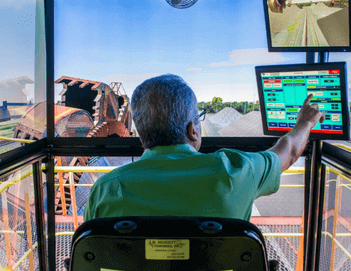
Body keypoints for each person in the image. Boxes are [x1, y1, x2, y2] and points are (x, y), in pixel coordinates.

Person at [84, 74, 325, 222]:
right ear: (193, 130)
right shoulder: (235, 172)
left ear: (141, 133)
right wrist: (305, 122)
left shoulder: (105, 189)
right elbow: (290, 151)